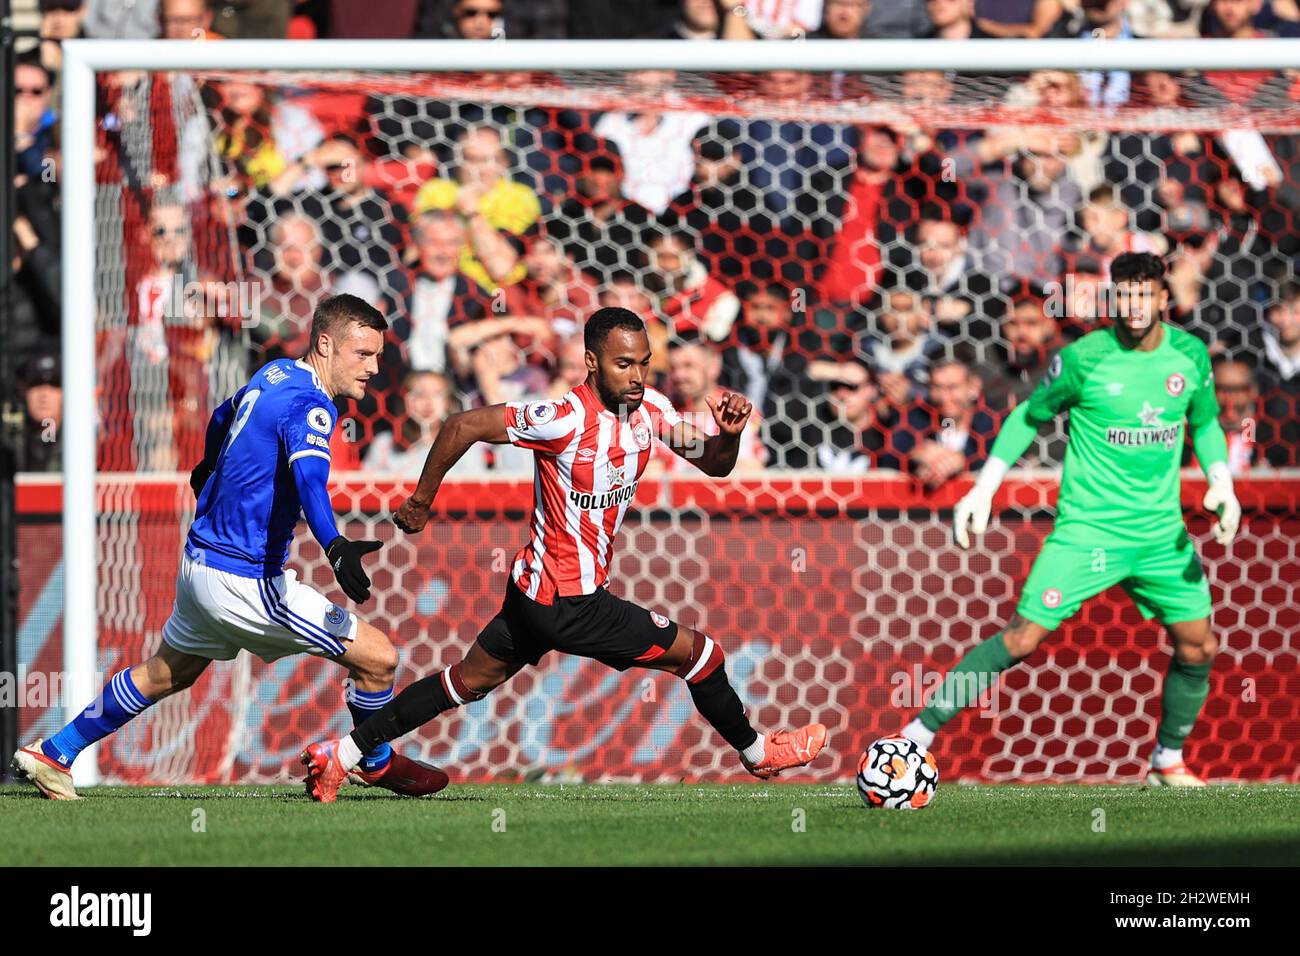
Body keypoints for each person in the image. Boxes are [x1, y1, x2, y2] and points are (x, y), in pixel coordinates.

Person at [300, 308, 828, 801]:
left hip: (534, 592)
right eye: (624, 364)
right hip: (568, 603)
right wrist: (419, 503)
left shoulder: (653, 413)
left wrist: (729, 436)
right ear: (592, 363)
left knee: (465, 681)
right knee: (702, 655)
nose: (637, 376)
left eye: (644, 362)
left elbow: (714, 464)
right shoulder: (562, 418)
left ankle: (340, 754)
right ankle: (759, 753)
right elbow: (461, 425)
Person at [12, 296, 448, 801]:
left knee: (165, 673)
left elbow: (223, 413)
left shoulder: (276, 373)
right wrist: (334, 545)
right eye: (362, 354)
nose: (373, 368)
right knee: (379, 658)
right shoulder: (312, 404)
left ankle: (56, 751)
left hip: (199, 566)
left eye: (377, 356)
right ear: (325, 344)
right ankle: (371, 760)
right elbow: (309, 481)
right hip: (245, 581)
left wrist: (208, 463)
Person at [899, 253, 1241, 787]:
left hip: (1159, 534)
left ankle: (1166, 761)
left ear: (1162, 299)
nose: (1132, 306)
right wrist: (984, 488)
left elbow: (1205, 422)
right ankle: (912, 738)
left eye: (1143, 294)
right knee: (1022, 638)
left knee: (1199, 645)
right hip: (1088, 530)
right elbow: (1027, 416)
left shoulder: (1190, 356)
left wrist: (1221, 479)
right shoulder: (1084, 358)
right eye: (1122, 295)